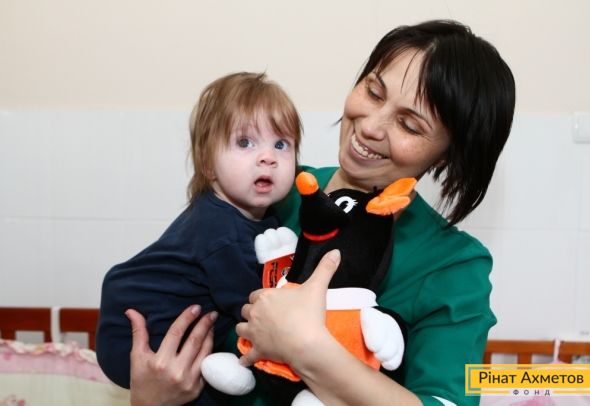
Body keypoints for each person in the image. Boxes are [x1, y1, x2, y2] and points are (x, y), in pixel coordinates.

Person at [127, 19, 516, 406]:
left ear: (448, 155)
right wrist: (148, 399)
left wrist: (308, 348)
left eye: (409, 125)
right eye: (373, 92)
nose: (371, 126)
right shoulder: (270, 192)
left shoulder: (452, 266)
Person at [96, 72, 302, 405]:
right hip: (137, 338)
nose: (268, 156)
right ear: (207, 164)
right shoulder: (221, 231)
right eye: (245, 142)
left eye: (281, 144)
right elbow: (260, 309)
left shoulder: (256, 215)